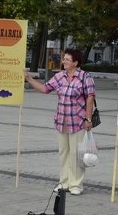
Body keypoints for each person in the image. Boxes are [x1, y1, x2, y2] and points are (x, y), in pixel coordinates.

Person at [24, 49, 95, 196]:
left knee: (76, 154)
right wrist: (29, 79)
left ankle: (76, 184)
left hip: (78, 122)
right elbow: (45, 89)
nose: (64, 62)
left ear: (75, 62)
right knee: (64, 153)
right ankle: (64, 182)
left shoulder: (84, 77)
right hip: (61, 120)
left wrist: (88, 119)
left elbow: (90, 98)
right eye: (64, 59)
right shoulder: (60, 76)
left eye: (68, 60)